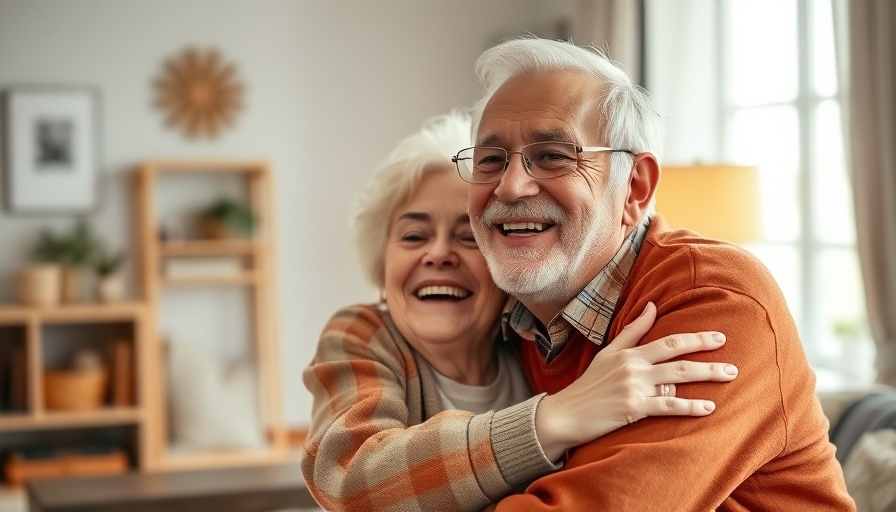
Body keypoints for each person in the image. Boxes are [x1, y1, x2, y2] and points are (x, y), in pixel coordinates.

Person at [458, 37, 855, 510]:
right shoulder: (499, 310)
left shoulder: (717, 298)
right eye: (490, 160)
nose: (510, 185)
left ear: (635, 188)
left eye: (552, 155)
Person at [302, 111, 739, 511]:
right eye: (413, 236)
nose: (437, 254)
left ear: (509, 262)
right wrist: (554, 417)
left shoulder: (536, 338)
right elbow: (349, 479)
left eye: (468, 238)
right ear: (381, 267)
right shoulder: (361, 333)